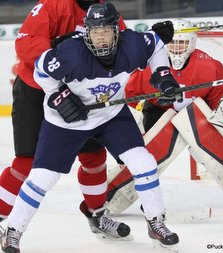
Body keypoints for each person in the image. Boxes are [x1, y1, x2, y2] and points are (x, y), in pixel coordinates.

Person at [0, 3, 180, 252]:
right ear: (86, 33)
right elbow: (39, 64)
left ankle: (143, 219)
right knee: (35, 171)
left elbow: (148, 47)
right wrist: (59, 93)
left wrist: (162, 75)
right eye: (96, 32)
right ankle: (10, 227)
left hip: (106, 113)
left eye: (107, 31)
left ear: (116, 30)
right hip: (56, 110)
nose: (102, 38)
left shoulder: (125, 39)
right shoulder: (66, 37)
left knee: (119, 162)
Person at [105, 18, 223, 214]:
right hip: (159, 112)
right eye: (172, 42)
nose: (176, 48)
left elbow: (219, 96)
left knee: (221, 149)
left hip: (196, 113)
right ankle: (115, 198)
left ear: (192, 43)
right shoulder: (149, 67)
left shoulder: (209, 66)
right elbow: (130, 96)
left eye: (182, 43)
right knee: (146, 158)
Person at [0, 0, 127, 235]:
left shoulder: (107, 12)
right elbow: (26, 42)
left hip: (83, 93)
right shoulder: (53, 5)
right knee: (27, 163)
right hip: (37, 89)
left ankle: (96, 213)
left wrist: (156, 58)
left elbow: (127, 50)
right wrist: (55, 54)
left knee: (94, 158)